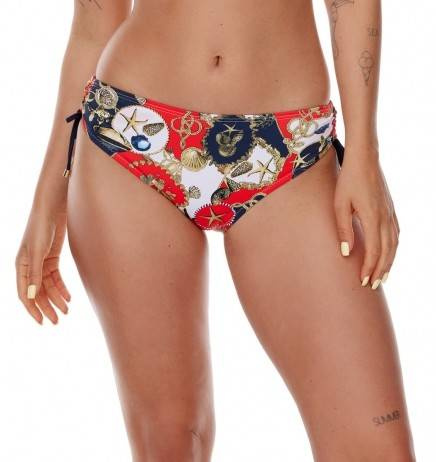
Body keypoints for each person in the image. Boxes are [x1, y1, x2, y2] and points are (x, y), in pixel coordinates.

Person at [15, 1, 415, 460]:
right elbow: (93, 25)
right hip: (131, 131)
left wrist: (364, 153)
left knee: (377, 449)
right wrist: (49, 197)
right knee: (170, 442)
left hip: (290, 146)